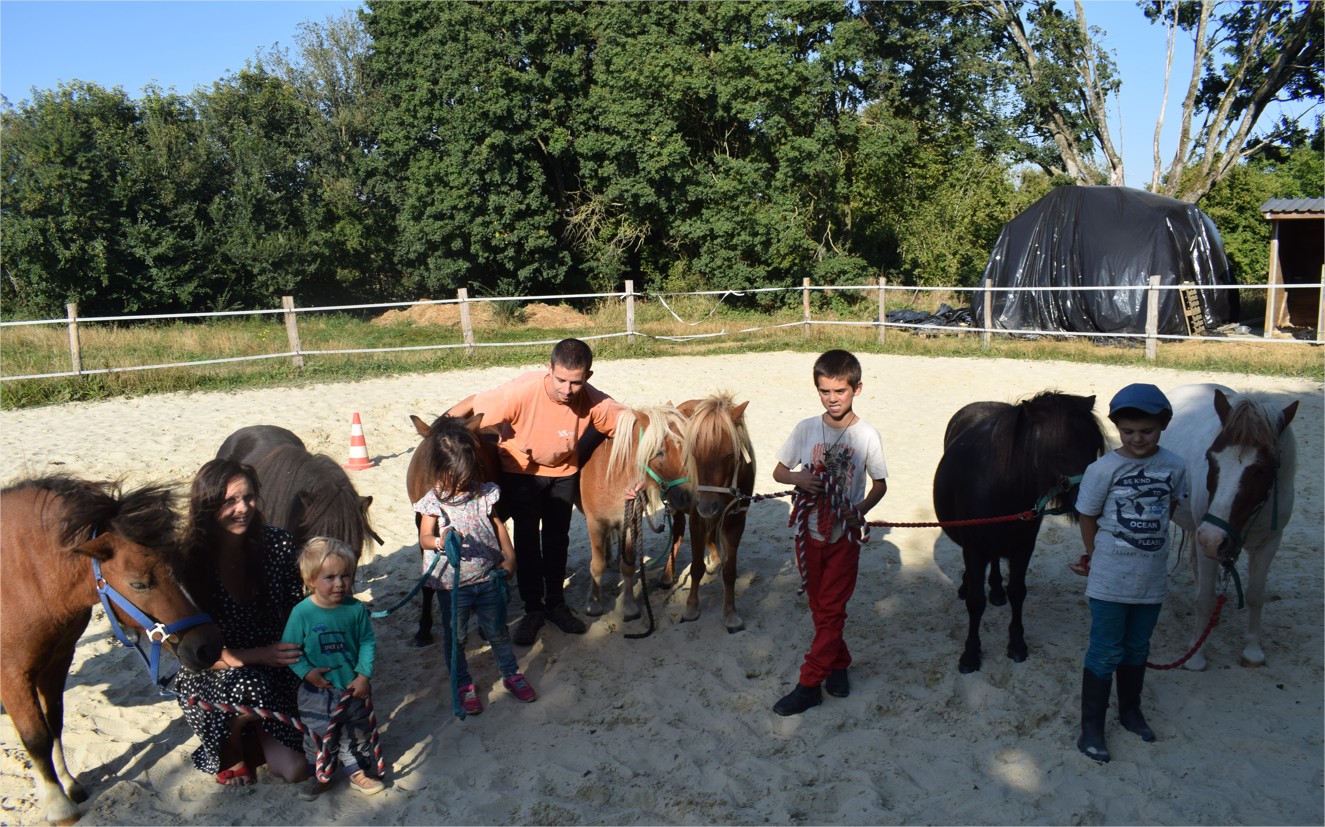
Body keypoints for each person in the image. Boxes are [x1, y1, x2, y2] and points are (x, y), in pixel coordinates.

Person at [449, 338, 626, 646]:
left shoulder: (592, 399)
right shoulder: (520, 391)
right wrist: (441, 426)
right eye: (561, 380)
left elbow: (630, 422)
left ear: (588, 377)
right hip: (521, 473)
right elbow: (472, 404)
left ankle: (556, 603)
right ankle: (533, 610)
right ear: (549, 369)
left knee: (558, 540)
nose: (567, 390)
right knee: (527, 541)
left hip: (563, 473)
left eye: (576, 382)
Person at [1073, 383, 1189, 763]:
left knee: (1138, 647)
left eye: (1147, 431)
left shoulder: (1174, 466)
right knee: (1106, 650)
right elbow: (1087, 515)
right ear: (1117, 428)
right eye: (1128, 431)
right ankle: (1091, 727)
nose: (1137, 438)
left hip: (1151, 578)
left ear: (1163, 426)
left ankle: (1130, 712)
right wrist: (1096, 555)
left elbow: (1168, 508)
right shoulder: (1103, 469)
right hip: (1109, 579)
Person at [175, 458, 308, 786]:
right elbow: (187, 650)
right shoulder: (188, 561)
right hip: (215, 665)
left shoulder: (277, 544)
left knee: (295, 771)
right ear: (207, 506)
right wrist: (259, 655)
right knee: (248, 685)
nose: (243, 508)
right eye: (230, 501)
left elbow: (296, 609)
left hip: (275, 658)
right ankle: (231, 746)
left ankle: (260, 733)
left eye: (249, 497)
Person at [769, 349, 888, 717]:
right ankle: (839, 663)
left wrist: (859, 513)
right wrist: (797, 477)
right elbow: (778, 471)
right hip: (808, 533)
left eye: (840, 391)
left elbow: (880, 485)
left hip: (843, 537)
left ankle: (809, 685)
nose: (833, 399)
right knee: (820, 607)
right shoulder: (806, 428)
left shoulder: (866, 435)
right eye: (825, 391)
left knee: (832, 609)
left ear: (857, 388)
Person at [414, 416, 537, 714]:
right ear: (439, 472)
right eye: (455, 479)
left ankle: (510, 674)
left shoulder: (483, 493)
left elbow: (497, 526)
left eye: (466, 477)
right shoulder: (434, 502)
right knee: (456, 637)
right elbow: (424, 538)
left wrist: (510, 557)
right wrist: (442, 541)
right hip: (451, 586)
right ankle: (463, 683)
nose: (461, 486)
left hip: (487, 579)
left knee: (497, 631)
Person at [281, 537, 385, 799]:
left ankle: (357, 770)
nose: (339, 583)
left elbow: (367, 642)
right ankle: (321, 773)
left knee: (356, 729)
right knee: (317, 734)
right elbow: (290, 650)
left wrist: (363, 675)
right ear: (311, 580)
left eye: (346, 576)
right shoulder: (302, 613)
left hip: (351, 688)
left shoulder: (355, 609)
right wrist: (307, 672)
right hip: (315, 692)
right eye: (330, 577)